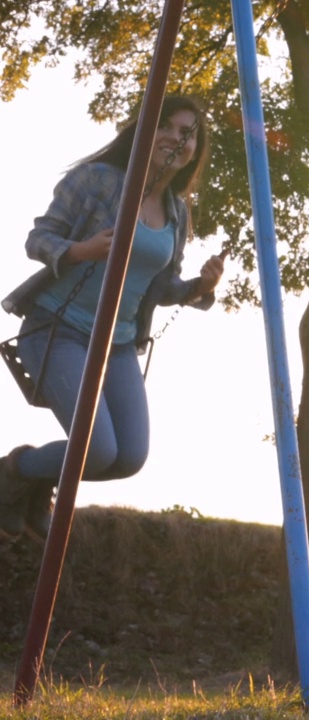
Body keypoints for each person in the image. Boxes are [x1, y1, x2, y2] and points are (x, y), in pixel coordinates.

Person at [0, 94, 224, 542]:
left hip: (117, 345)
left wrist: (199, 289)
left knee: (131, 458)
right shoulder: (98, 180)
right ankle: (13, 472)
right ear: (145, 130)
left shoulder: (177, 214)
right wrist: (81, 251)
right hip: (57, 329)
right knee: (96, 450)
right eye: (169, 127)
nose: (178, 139)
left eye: (189, 134)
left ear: (194, 152)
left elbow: (158, 288)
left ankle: (34, 478)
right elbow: (38, 239)